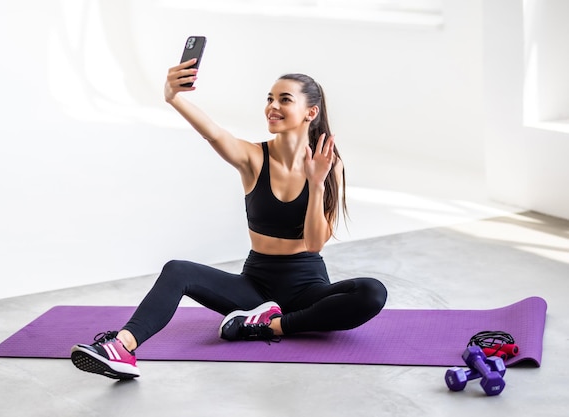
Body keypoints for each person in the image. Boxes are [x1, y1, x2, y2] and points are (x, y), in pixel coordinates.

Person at [70, 58, 388, 379]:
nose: (272, 107)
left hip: (305, 291)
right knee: (177, 270)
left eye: (284, 99)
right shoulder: (252, 157)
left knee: (372, 292)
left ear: (311, 112)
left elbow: (316, 241)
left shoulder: (328, 164)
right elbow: (214, 134)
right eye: (269, 98)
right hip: (253, 291)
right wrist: (173, 97)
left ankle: (269, 326)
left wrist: (316, 184)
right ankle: (121, 348)